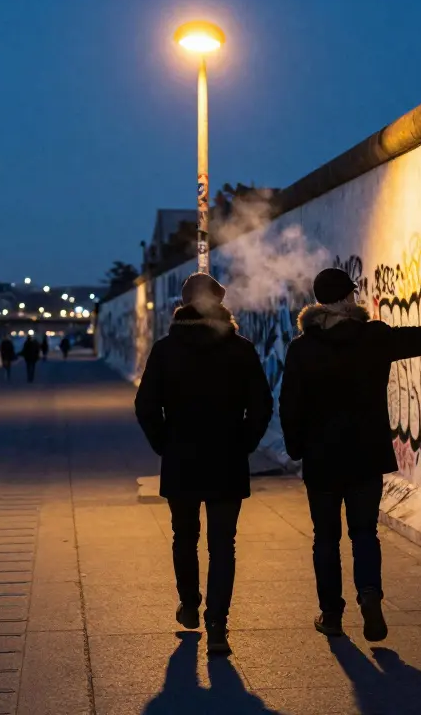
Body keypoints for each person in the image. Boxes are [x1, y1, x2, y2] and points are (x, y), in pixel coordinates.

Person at [279, 268, 421, 642]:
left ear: (318, 302)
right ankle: (369, 597)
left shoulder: (302, 348)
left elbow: (289, 404)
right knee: (364, 532)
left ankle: (331, 615)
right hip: (366, 454)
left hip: (322, 458)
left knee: (325, 538)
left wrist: (297, 448)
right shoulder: (373, 337)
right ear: (349, 297)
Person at [135, 272, 273, 656]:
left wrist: (165, 443)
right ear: (219, 303)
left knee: (184, 537)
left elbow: (145, 405)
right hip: (227, 457)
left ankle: (190, 603)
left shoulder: (165, 349)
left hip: (181, 459)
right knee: (223, 545)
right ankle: (217, 625)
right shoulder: (240, 348)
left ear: (183, 305)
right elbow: (261, 405)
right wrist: (244, 442)